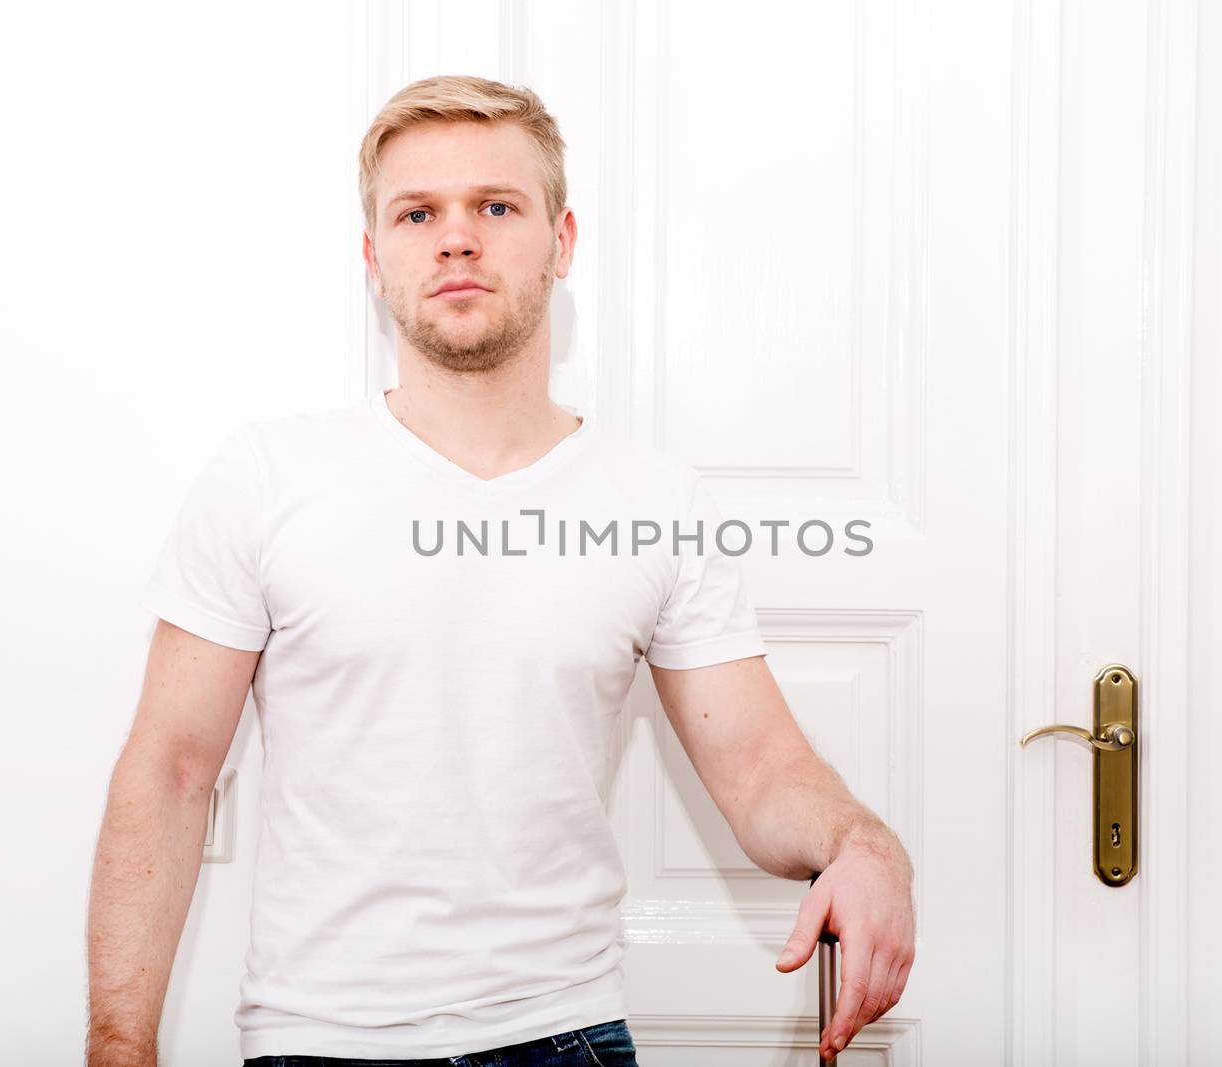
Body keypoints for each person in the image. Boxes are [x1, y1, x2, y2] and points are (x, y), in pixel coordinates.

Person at [87, 74, 914, 1067]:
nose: (455, 239)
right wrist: (119, 1041)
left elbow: (761, 769)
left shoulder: (656, 501)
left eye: (495, 206)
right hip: (319, 1039)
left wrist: (865, 841)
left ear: (561, 243)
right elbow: (171, 771)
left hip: (564, 1036)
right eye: (418, 212)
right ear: (374, 257)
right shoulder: (266, 476)